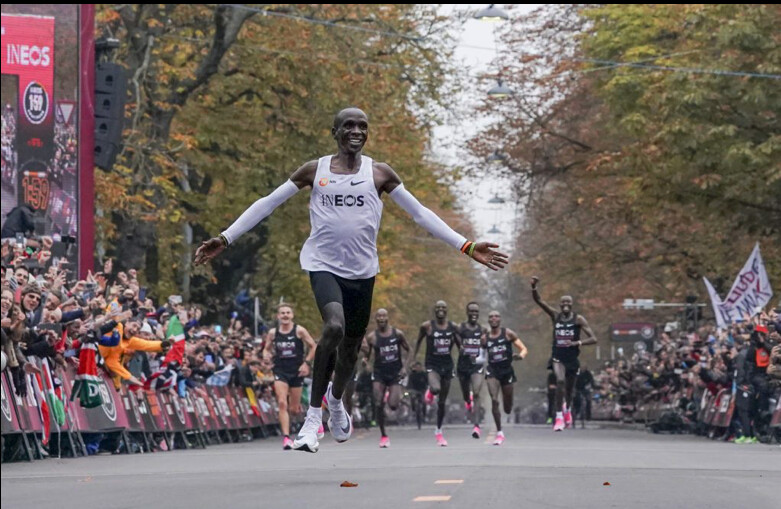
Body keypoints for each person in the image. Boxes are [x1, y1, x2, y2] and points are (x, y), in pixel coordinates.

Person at [194, 107, 507, 453]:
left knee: (350, 352)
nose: (356, 131)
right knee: (333, 328)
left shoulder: (380, 173)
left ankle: (336, 399)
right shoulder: (315, 170)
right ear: (335, 132)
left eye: (362, 126)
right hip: (322, 265)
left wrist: (466, 246)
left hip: (362, 273)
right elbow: (268, 203)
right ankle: (313, 420)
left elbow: (420, 213)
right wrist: (225, 238)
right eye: (348, 125)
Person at [531, 276, 597, 431]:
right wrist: (534, 287)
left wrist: (576, 343)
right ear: (560, 305)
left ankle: (567, 409)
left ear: (572, 304)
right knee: (560, 381)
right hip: (557, 357)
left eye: (568, 302)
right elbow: (539, 301)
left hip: (572, 358)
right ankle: (559, 416)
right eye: (563, 302)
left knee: (569, 390)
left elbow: (593, 338)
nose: (565, 304)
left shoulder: (578, 319)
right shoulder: (555, 316)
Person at [263, 303, 318, 450]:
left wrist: (306, 363)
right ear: (278, 316)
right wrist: (266, 356)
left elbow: (313, 346)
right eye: (282, 313)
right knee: (282, 402)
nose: (285, 315)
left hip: (296, 371)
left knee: (294, 409)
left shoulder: (299, 330)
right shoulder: (273, 333)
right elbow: (266, 349)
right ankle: (286, 438)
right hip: (280, 370)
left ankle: (310, 422)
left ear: (292, 315)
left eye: (288, 312)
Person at [414, 300, 462, 446]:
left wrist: (466, 356)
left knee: (442, 402)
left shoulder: (453, 327)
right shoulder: (427, 326)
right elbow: (418, 342)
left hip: (447, 366)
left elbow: (460, 345)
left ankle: (439, 430)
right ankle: (430, 391)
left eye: (443, 307)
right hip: (432, 365)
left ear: (447, 310)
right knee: (436, 388)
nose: (441, 309)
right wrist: (414, 359)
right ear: (434, 310)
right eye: (438, 307)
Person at [361, 308, 410, 448]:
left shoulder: (397, 334)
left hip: (395, 373)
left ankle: (394, 399)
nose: (381, 318)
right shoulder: (372, 337)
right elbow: (367, 355)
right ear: (376, 319)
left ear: (388, 318)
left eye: (384, 316)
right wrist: (365, 361)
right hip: (379, 373)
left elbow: (409, 350)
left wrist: (405, 367)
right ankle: (383, 435)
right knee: (378, 402)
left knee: (393, 405)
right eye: (379, 316)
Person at [483, 310, 527, 445]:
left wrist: (520, 356)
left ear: (500, 319)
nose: (493, 318)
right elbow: (475, 353)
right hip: (492, 371)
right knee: (494, 399)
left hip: (507, 371)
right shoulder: (484, 338)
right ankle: (500, 432)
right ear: (488, 320)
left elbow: (523, 348)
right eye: (491, 317)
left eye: (496, 316)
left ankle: (507, 407)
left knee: (508, 407)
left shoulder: (508, 333)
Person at [456, 301, 486, 439]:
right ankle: (468, 401)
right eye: (471, 311)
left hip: (476, 365)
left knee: (477, 392)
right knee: (466, 395)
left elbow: (487, 346)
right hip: (463, 366)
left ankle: (476, 425)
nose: (474, 314)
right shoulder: (460, 328)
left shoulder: (483, 330)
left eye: (476, 311)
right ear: (467, 312)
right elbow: (455, 341)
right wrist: (461, 347)